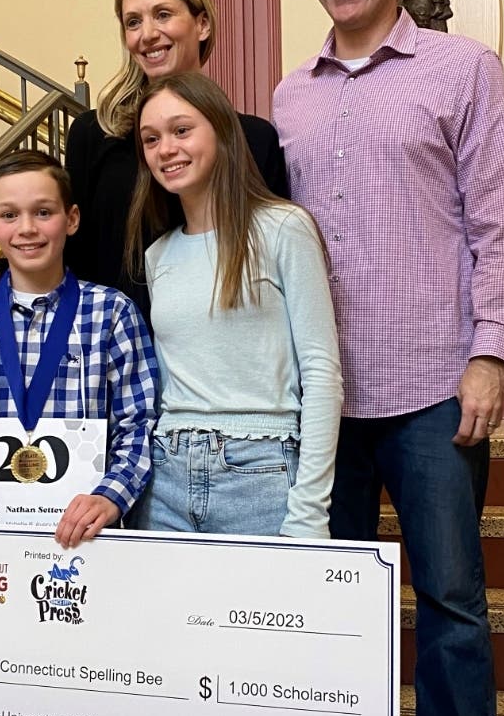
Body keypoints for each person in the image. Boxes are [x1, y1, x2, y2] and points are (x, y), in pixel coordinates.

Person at [273, 0, 504, 716]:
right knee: (335, 597)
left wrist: (489, 354)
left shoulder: (464, 71)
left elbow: (501, 224)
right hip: (324, 396)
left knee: (451, 600)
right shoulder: (290, 96)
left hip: (434, 388)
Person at [0, 0, 288, 326]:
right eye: (133, 22)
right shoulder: (94, 134)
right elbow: (69, 240)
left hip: (216, 354)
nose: (147, 34)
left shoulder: (254, 140)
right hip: (112, 352)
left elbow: (275, 258)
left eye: (163, 15)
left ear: (202, 24)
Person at [0, 150, 158, 558]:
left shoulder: (111, 314)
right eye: (9, 215)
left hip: (86, 543)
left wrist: (111, 496)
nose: (27, 228)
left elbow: (139, 426)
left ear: (72, 219)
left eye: (43, 212)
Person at [126, 72, 342, 538]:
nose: (166, 149)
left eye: (182, 130)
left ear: (223, 132)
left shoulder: (284, 228)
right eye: (151, 139)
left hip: (260, 472)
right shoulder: (157, 254)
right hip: (164, 475)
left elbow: (322, 375)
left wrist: (309, 512)